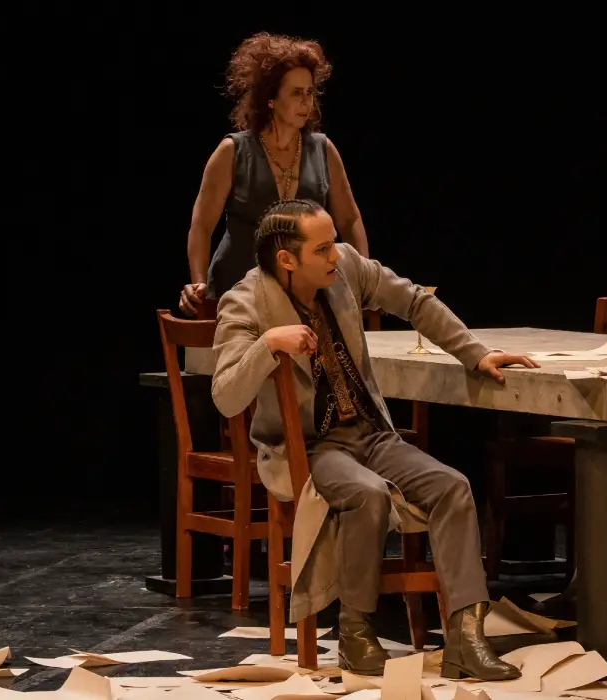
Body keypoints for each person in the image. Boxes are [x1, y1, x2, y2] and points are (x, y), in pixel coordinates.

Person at [211, 199, 539, 678]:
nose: (335, 255)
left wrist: (476, 353)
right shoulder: (246, 302)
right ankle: (356, 632)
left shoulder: (346, 268)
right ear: (286, 259)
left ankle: (466, 639)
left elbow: (415, 301)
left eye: (333, 244)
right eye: (322, 249)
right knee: (368, 494)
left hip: (368, 432)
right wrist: (268, 343)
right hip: (310, 446)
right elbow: (225, 395)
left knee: (452, 487)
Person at [179, 32, 370, 317]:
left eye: (310, 92)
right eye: (296, 93)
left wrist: (364, 275)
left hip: (304, 294)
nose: (306, 102)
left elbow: (349, 219)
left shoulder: (323, 150)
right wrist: (198, 282)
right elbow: (202, 225)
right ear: (270, 98)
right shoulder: (233, 151)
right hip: (238, 291)